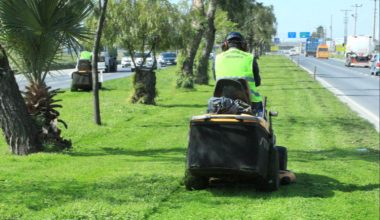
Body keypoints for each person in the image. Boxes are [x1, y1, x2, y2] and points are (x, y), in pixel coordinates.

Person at [215, 32, 263, 116]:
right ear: (243, 45)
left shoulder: (217, 58)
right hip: (250, 102)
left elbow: (216, 80)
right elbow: (257, 82)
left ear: (225, 44)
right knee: (261, 112)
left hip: (222, 103)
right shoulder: (250, 58)